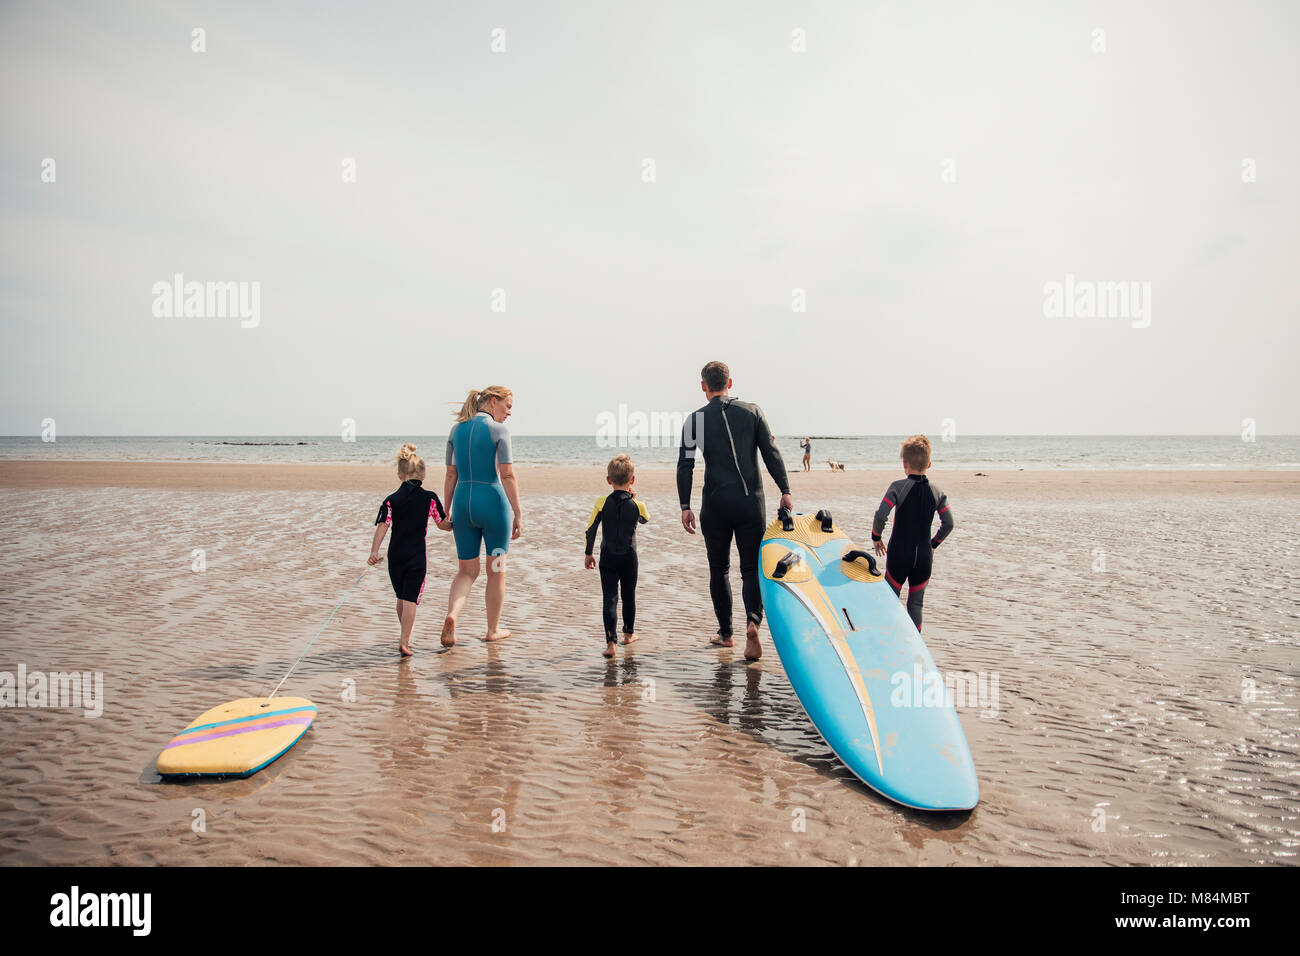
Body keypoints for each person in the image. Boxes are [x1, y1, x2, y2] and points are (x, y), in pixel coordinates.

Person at [677, 361, 792, 661]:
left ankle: (726, 633)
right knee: (751, 569)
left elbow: (685, 465)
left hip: (714, 505)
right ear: (730, 381)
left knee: (719, 570)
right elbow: (770, 453)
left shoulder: (694, 421)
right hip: (750, 502)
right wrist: (785, 490)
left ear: (703, 386)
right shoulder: (752, 411)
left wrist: (685, 505)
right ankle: (752, 622)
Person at [441, 386, 522, 646]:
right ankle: (492, 630)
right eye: (507, 406)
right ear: (493, 401)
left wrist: (446, 509)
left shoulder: (456, 430)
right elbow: (507, 475)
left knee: (466, 570)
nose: (510, 412)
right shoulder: (499, 431)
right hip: (493, 505)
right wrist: (518, 513)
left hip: (463, 504)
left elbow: (451, 474)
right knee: (496, 570)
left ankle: (453, 615)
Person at [368, 443, 452, 656]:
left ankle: (405, 634)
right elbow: (442, 524)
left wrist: (374, 552)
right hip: (416, 556)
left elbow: (383, 526)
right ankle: (404, 641)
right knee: (411, 599)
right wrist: (456, 524)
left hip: (395, 556)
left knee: (401, 598)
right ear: (423, 474)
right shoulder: (430, 498)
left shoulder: (391, 500)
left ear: (399, 475)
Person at [871, 434, 954, 631]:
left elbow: (881, 514)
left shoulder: (897, 487)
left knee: (890, 600)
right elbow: (949, 523)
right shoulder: (938, 492)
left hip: (899, 553)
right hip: (924, 556)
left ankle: (888, 638)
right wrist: (933, 544)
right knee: (916, 605)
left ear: (904, 463)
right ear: (929, 464)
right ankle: (914, 647)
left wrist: (876, 537)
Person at [584, 454, 650, 658]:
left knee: (610, 598)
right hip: (630, 556)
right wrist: (634, 498)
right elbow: (645, 520)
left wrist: (588, 553)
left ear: (608, 480)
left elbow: (591, 530)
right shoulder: (637, 505)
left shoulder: (601, 502)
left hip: (608, 557)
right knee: (629, 595)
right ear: (632, 480)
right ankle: (629, 634)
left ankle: (611, 643)